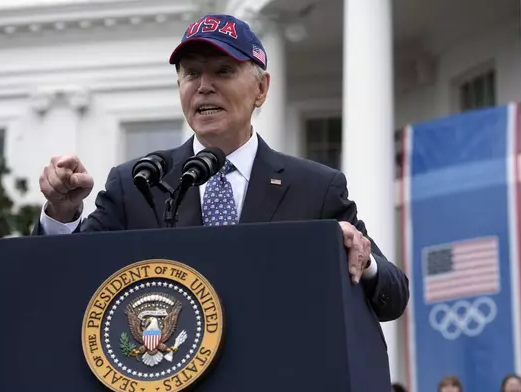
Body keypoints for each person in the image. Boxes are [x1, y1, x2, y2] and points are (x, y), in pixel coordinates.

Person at [34, 13, 409, 322]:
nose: (204, 86)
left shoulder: (315, 188)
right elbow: (64, 281)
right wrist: (63, 213)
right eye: (191, 73)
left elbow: (392, 297)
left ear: (261, 88)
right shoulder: (137, 184)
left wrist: (364, 261)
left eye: (223, 71)